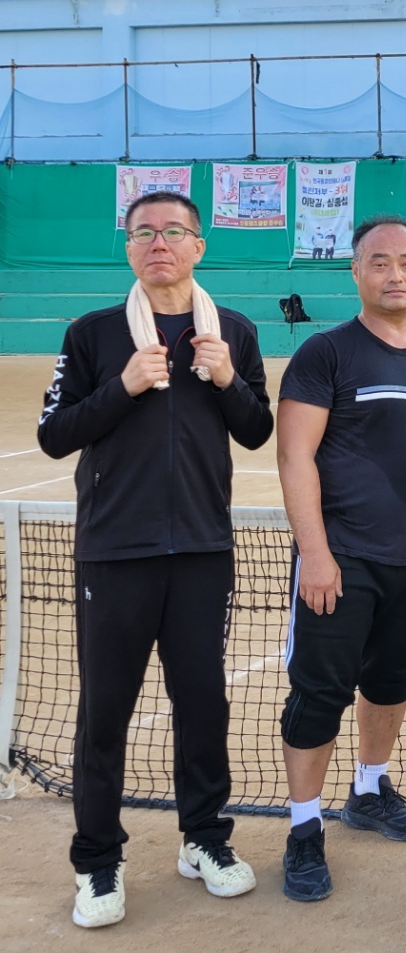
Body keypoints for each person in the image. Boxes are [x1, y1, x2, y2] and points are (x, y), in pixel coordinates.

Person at [37, 191, 274, 929]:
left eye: (173, 231)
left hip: (202, 550)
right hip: (115, 552)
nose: (158, 243)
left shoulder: (233, 331)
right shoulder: (93, 333)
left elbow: (258, 429)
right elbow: (55, 434)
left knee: (203, 706)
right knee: (104, 714)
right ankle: (97, 861)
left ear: (199, 245)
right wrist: (125, 386)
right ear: (129, 247)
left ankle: (204, 839)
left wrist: (227, 378)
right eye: (143, 232)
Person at [275, 214, 406, 903]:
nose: (396, 274)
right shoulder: (325, 354)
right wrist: (316, 553)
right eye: (380, 262)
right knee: (319, 694)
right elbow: (295, 455)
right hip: (340, 562)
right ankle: (304, 828)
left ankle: (368, 790)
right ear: (356, 272)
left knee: (391, 681)